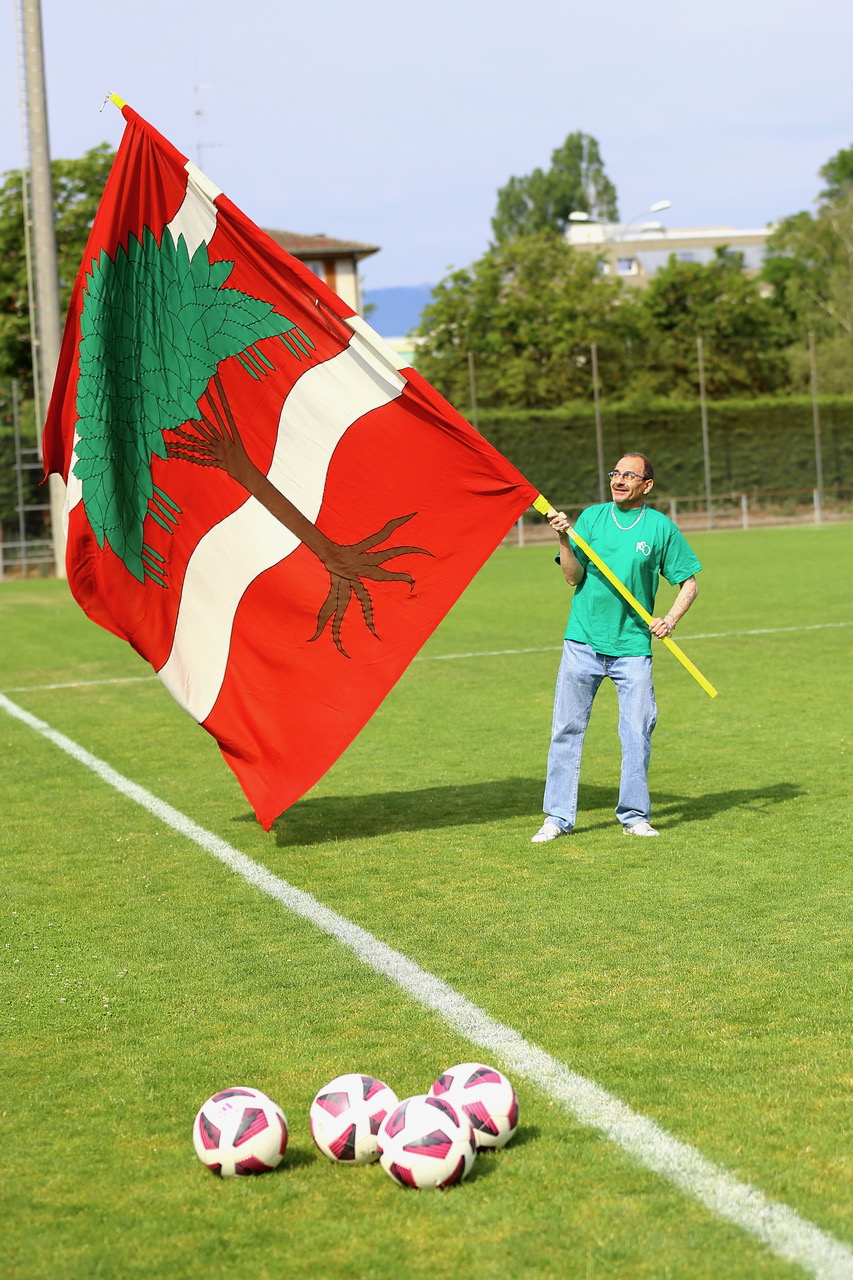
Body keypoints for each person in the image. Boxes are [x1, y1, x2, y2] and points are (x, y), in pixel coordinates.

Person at [532, 453, 702, 842]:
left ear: (647, 485)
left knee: (637, 732)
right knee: (566, 730)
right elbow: (572, 577)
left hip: (633, 648)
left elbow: (689, 583)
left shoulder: (661, 528)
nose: (619, 480)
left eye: (629, 474)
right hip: (582, 642)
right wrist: (564, 537)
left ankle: (634, 816)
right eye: (615, 473)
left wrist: (670, 619)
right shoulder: (591, 518)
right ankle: (557, 818)